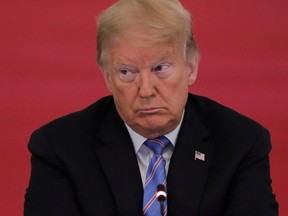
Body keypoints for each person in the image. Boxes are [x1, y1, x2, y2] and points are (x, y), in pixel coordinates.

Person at [24, 0, 278, 215]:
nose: (146, 90)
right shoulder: (59, 147)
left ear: (191, 67)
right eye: (126, 72)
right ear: (107, 77)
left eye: (160, 68)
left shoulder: (241, 141)